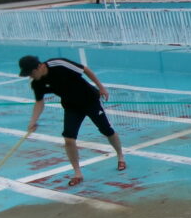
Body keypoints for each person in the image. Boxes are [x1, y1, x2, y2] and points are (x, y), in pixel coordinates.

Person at [19, 55, 126, 186]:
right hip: (71, 107)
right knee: (69, 139)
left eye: (30, 73)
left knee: (107, 130)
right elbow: (39, 102)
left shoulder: (58, 64)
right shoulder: (37, 83)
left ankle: (120, 156)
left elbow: (85, 69)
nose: (30, 77)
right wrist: (33, 121)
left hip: (90, 100)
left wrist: (101, 88)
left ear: (39, 67)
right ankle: (77, 173)